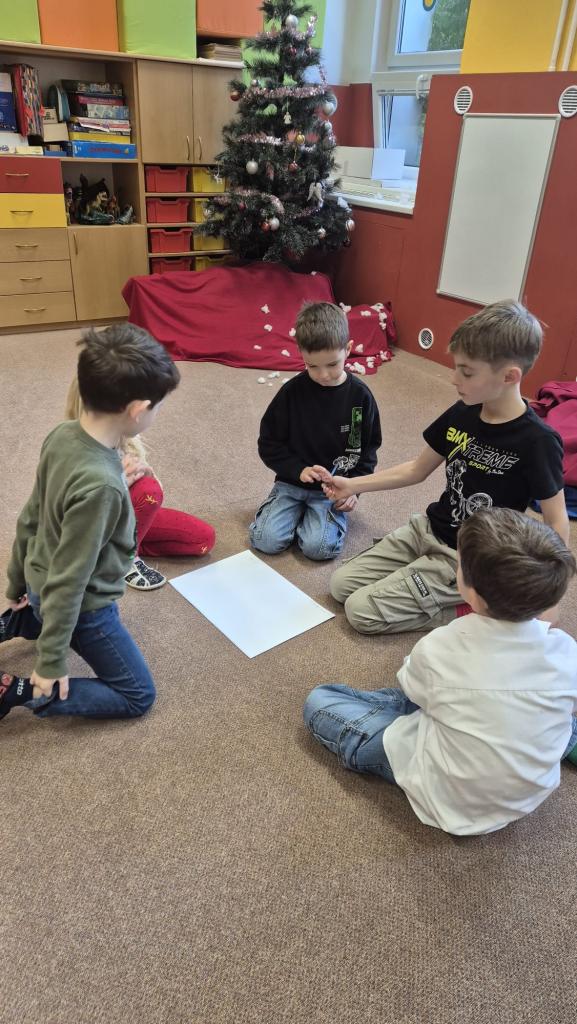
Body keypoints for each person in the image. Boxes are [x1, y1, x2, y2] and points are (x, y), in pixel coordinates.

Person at [304, 507, 577, 836]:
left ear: (470, 592)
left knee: (321, 701)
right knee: (543, 706)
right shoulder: (567, 651)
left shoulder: (440, 646)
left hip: (447, 799)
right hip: (527, 797)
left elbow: (412, 692)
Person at [319, 300, 568, 633]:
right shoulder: (463, 411)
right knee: (340, 586)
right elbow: (416, 469)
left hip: (469, 559)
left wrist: (550, 599)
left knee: (359, 611)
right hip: (428, 528)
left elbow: (556, 520)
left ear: (510, 376)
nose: (453, 378)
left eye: (467, 371)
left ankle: (478, 608)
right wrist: (352, 485)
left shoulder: (539, 441)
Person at [0, 323, 180, 723]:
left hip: (36, 581)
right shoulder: (103, 488)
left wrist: (15, 584)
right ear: (137, 410)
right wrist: (50, 663)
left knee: (48, 601)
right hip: (84, 607)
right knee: (137, 695)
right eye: (158, 406)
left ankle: (20, 617)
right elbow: (70, 579)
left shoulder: (61, 435)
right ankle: (18, 689)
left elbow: (30, 517)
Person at [249, 302, 382, 561]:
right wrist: (297, 469)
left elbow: (367, 450)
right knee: (265, 541)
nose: (323, 375)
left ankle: (310, 519)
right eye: (312, 366)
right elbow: (269, 443)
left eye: (332, 364)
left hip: (333, 489)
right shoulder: (291, 393)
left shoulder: (360, 397)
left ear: (348, 350)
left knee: (318, 549)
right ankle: (294, 514)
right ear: (301, 354)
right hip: (291, 483)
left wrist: (354, 488)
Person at [65, 378, 215, 591]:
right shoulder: (75, 452)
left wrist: (147, 472)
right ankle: (123, 558)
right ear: (134, 412)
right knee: (147, 491)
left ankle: (118, 548)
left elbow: (156, 493)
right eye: (155, 407)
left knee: (202, 539)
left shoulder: (126, 439)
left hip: (128, 518)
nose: (156, 414)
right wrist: (119, 484)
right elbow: (78, 516)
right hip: (94, 527)